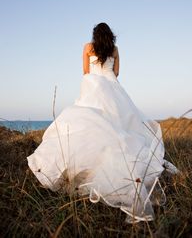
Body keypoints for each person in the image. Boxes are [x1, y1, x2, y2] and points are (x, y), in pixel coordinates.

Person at [27, 22, 178, 223]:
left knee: (88, 122)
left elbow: (85, 71)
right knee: (120, 125)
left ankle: (81, 168)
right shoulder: (115, 49)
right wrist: (106, 77)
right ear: (110, 35)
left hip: (92, 86)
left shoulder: (87, 47)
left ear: (95, 35)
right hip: (112, 87)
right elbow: (116, 73)